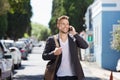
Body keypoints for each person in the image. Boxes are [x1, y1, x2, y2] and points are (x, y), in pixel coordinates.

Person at [42, 15, 88, 80]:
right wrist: (54, 53)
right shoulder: (51, 40)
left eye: (67, 24)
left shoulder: (73, 39)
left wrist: (75, 33)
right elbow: (44, 56)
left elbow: (85, 46)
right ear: (58, 25)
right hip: (58, 76)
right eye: (63, 24)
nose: (66, 26)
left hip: (74, 76)